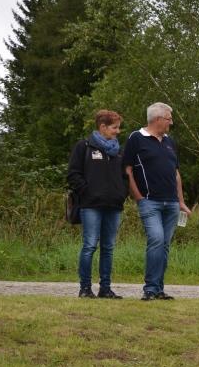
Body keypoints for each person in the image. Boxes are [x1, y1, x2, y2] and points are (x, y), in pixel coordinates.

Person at [123, 102, 192, 301]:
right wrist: (138, 197)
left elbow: (176, 174)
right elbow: (127, 170)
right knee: (156, 240)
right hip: (149, 202)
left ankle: (159, 289)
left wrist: (181, 201)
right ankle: (150, 289)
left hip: (171, 204)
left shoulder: (170, 142)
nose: (171, 122)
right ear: (158, 119)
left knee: (164, 245)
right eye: (169, 119)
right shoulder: (136, 138)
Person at [67, 110, 129, 299]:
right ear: (103, 127)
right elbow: (73, 174)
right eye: (114, 127)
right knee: (90, 245)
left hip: (114, 206)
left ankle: (105, 289)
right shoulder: (84, 146)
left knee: (108, 248)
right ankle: (85, 288)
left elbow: (125, 176)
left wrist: (121, 194)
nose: (118, 131)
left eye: (118, 127)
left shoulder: (119, 151)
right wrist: (87, 192)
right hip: (91, 205)